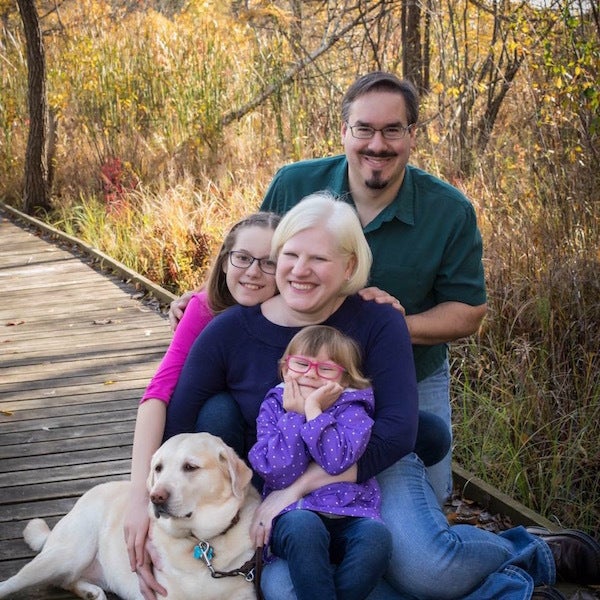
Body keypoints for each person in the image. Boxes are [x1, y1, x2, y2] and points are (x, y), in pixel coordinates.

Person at [157, 193, 599, 600]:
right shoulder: (229, 330)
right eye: (290, 255)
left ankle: (526, 551)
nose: (300, 269)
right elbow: (176, 424)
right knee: (287, 590)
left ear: (349, 267)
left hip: (370, 461)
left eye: (319, 258)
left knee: (426, 570)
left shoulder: (377, 320)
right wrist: (146, 507)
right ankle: (499, 590)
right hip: (285, 467)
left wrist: (295, 489)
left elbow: (398, 431)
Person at [169, 71, 488, 504]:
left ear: (412, 135)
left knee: (424, 498)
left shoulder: (449, 211)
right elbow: (264, 260)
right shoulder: (295, 185)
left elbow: (468, 311)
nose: (378, 144)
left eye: (393, 130)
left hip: (407, 369)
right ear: (344, 132)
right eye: (364, 129)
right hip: (304, 363)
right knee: (275, 452)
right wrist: (207, 300)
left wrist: (387, 328)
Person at [124, 211, 280, 582]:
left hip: (271, 447)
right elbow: (157, 394)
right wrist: (138, 499)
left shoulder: (295, 315)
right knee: (219, 408)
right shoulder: (204, 309)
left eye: (269, 262)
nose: (253, 272)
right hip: (213, 445)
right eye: (242, 258)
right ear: (226, 258)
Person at [249, 325, 392, 600]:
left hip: (352, 513)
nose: (311, 374)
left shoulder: (355, 410)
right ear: (284, 369)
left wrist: (314, 411)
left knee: (377, 539)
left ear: (346, 379)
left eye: (325, 369)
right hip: (293, 516)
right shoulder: (274, 406)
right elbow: (278, 473)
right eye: (301, 364)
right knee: (305, 528)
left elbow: (336, 461)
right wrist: (294, 415)